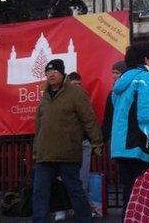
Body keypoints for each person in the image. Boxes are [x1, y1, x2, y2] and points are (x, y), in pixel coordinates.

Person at [33, 59, 103, 223]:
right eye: (48, 72)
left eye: (54, 72)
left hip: (67, 152)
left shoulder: (75, 93)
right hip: (45, 153)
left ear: (62, 73)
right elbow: (39, 125)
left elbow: (89, 119)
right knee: (39, 191)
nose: (50, 75)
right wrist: (36, 151)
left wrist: (97, 142)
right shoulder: (45, 96)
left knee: (75, 190)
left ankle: (85, 219)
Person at [110, 42, 149, 218]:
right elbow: (148, 113)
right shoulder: (146, 79)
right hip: (142, 147)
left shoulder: (120, 84)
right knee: (148, 200)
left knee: (131, 199)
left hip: (123, 148)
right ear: (146, 58)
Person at [102, 61, 127, 142]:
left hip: (129, 137)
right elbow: (107, 118)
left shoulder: (131, 92)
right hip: (114, 137)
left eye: (117, 73)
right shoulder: (111, 94)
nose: (114, 76)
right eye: (113, 73)